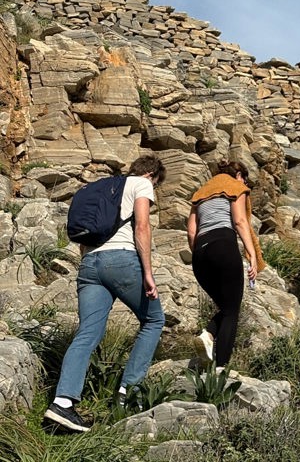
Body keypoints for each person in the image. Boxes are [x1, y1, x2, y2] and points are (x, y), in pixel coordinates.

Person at [43, 155, 167, 433]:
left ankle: (62, 403)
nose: (154, 189)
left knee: (87, 333)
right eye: (156, 184)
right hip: (121, 261)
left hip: (89, 265)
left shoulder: (101, 187)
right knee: (154, 320)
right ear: (150, 174)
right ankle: (128, 394)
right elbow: (142, 227)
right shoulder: (141, 184)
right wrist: (147, 272)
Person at [187, 160, 263, 370]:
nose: (245, 182)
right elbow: (239, 221)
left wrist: (202, 253)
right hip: (223, 246)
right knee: (232, 311)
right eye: (244, 178)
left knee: (227, 307)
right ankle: (222, 369)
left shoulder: (200, 194)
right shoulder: (235, 187)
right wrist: (252, 255)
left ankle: (208, 334)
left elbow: (192, 231)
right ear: (238, 174)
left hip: (200, 254)